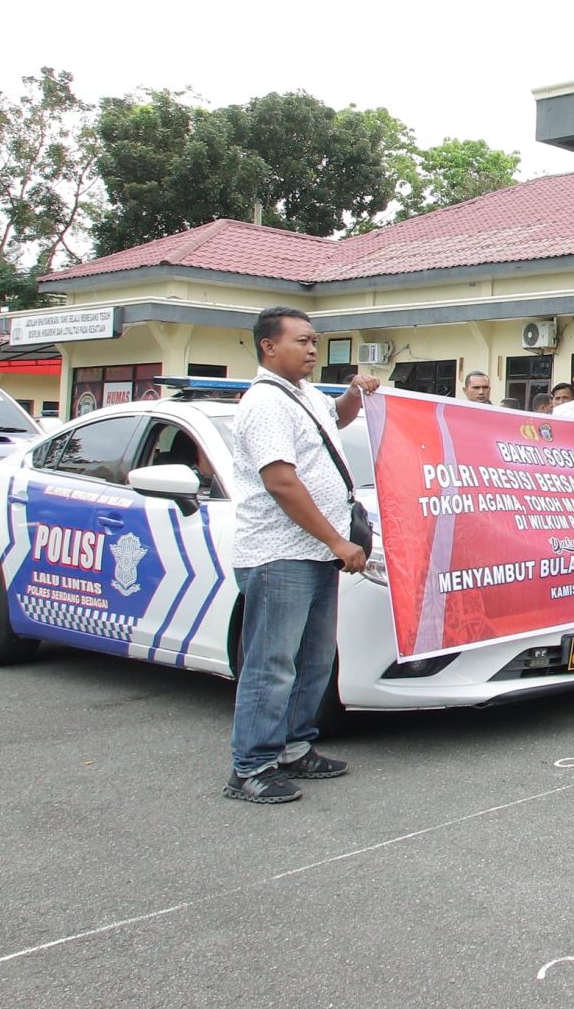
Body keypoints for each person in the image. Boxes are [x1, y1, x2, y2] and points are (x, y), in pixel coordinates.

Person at [223, 306, 377, 805]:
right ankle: (250, 767)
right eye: (303, 341)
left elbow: (334, 422)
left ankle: (293, 747)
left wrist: (355, 396)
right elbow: (281, 481)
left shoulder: (303, 396)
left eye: (315, 341)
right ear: (269, 347)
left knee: (313, 659)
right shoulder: (266, 403)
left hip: (312, 555)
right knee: (272, 664)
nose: (313, 349)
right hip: (279, 555)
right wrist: (337, 540)